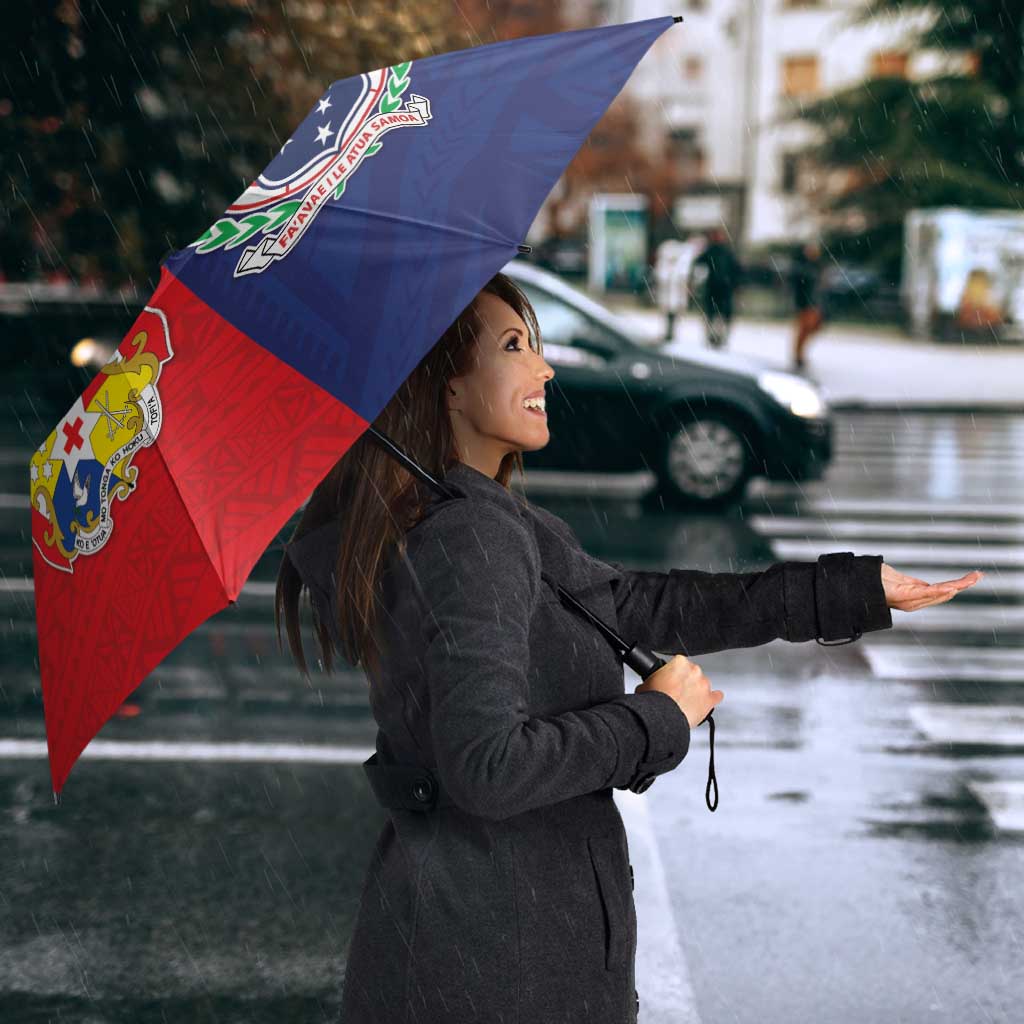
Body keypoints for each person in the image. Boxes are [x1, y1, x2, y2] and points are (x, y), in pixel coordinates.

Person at [275, 272, 931, 1024]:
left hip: (463, 941)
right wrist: (654, 720)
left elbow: (642, 605)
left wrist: (849, 591)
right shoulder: (473, 537)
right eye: (515, 346)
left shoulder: (472, 520)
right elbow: (487, 767)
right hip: (501, 962)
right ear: (446, 389)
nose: (545, 367)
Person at [692, 226, 742, 349]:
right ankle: (713, 337)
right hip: (715, 288)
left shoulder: (725, 252)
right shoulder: (712, 251)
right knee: (713, 314)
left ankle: (719, 337)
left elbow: (736, 270)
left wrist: (735, 284)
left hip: (723, 288)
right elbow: (698, 264)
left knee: (720, 315)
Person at [790, 239, 826, 370]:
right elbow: (799, 286)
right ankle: (798, 355)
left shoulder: (817, 266)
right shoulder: (802, 267)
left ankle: (799, 354)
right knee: (804, 329)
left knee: (812, 328)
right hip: (805, 303)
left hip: (814, 303)